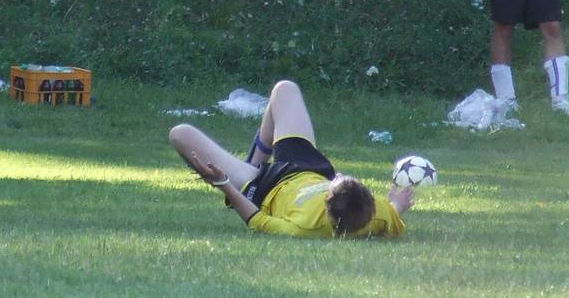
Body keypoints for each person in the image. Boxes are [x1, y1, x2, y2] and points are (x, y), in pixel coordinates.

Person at [169, 80, 414, 238]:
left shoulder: (302, 227)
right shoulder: (376, 214)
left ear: (327, 203)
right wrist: (397, 203)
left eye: (337, 180)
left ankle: (247, 170)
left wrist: (224, 183)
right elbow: (394, 210)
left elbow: (256, 219)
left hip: (265, 185)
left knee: (180, 134)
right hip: (310, 168)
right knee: (285, 89)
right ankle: (254, 159)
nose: (337, 175)